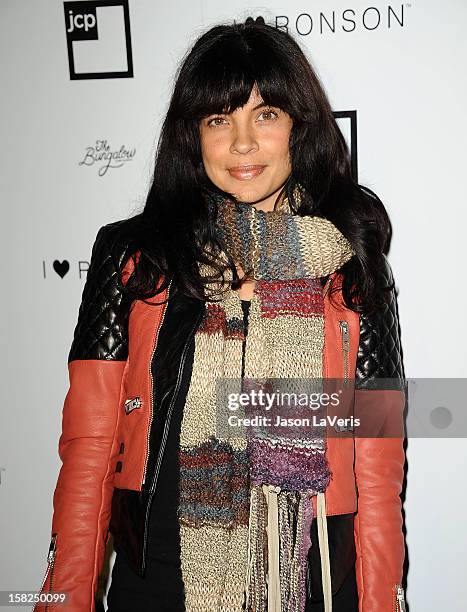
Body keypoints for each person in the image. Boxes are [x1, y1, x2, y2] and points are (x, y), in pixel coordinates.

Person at [34, 19, 407, 612]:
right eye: (218, 120)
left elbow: (378, 462)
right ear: (193, 137)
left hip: (309, 581)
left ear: (298, 128)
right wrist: (63, 598)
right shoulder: (135, 258)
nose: (241, 144)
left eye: (264, 115)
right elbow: (90, 445)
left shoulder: (351, 268)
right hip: (156, 582)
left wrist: (384, 601)